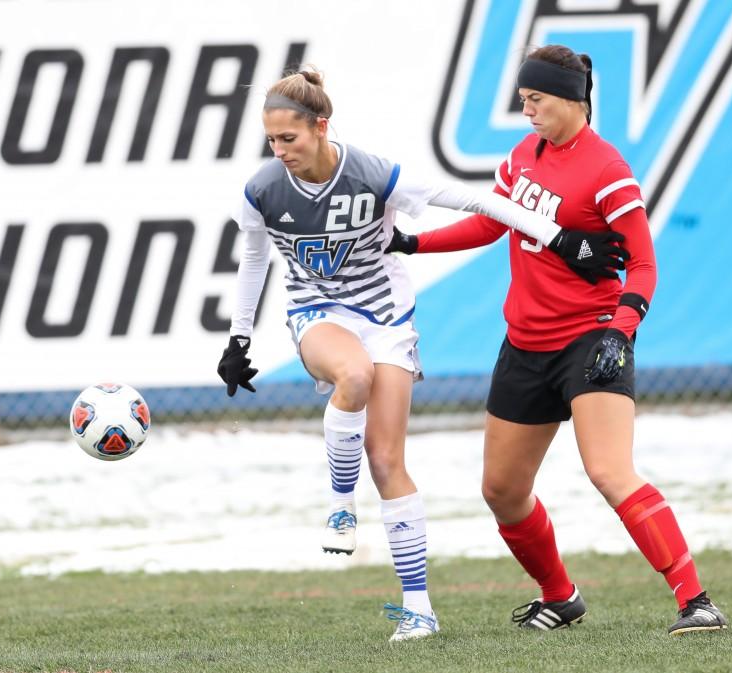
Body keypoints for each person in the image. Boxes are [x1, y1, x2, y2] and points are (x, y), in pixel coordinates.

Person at [216, 65, 625, 642]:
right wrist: (238, 339)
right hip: (318, 315)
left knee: (387, 462)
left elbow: (469, 200)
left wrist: (555, 234)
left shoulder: (371, 173)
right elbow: (255, 259)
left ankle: (419, 609)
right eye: (272, 140)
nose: (280, 150)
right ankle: (339, 503)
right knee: (352, 375)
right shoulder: (262, 190)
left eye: (291, 138)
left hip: (385, 318)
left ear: (321, 128)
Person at [386, 45, 728, 636]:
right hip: (524, 344)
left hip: (590, 341)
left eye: (535, 99)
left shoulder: (608, 171)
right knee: (502, 490)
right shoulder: (523, 156)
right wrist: (415, 244)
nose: (527, 112)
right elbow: (493, 222)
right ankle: (560, 595)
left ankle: (695, 602)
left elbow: (642, 268)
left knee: (609, 471)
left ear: (571, 99)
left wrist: (621, 333)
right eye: (523, 101)